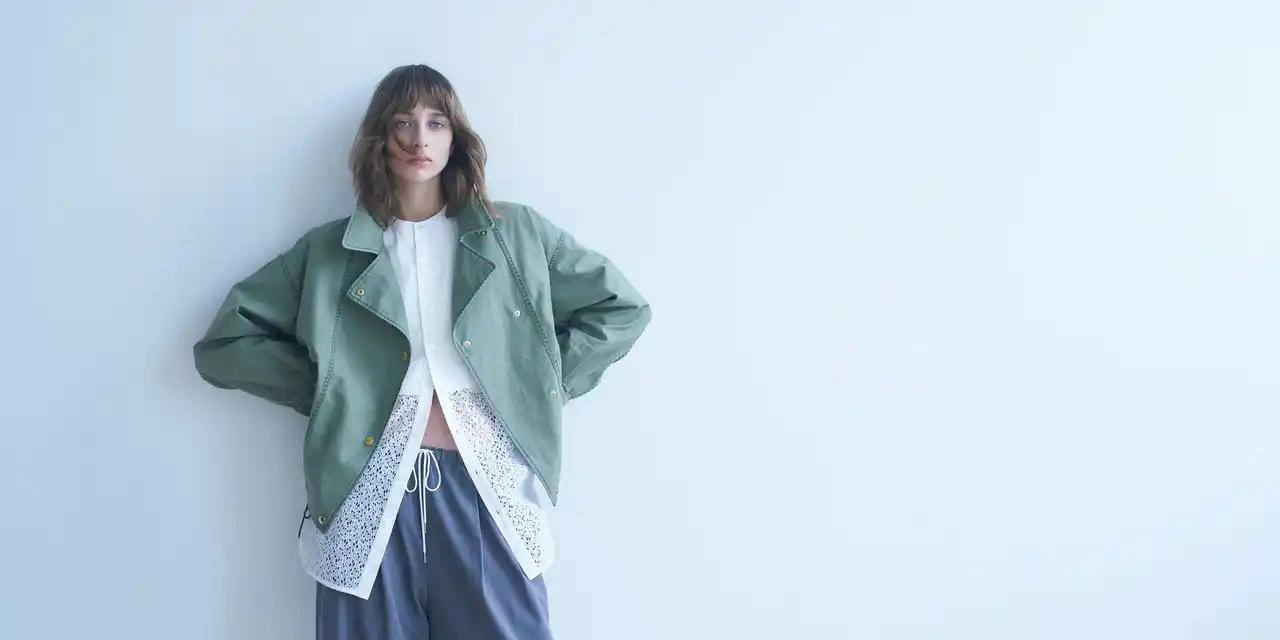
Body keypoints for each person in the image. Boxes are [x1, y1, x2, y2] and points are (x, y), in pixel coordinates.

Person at [192, 63, 651, 640]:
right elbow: (225, 343)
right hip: (366, 490)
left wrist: (535, 380)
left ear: (455, 137)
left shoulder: (515, 235)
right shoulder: (331, 251)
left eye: (436, 122)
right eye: (402, 123)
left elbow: (621, 309)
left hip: (484, 489)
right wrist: (335, 389)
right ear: (380, 138)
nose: (419, 139)